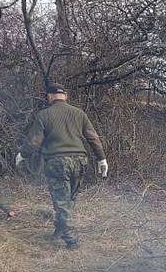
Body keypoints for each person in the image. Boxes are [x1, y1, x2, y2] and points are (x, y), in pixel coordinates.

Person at [15, 83, 108, 249]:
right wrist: (102, 159)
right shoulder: (79, 113)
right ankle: (59, 230)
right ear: (66, 96)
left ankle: (71, 240)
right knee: (69, 199)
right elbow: (93, 138)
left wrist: (22, 155)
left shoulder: (44, 115)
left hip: (57, 162)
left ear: (50, 96)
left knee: (62, 202)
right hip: (80, 161)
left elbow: (34, 141)